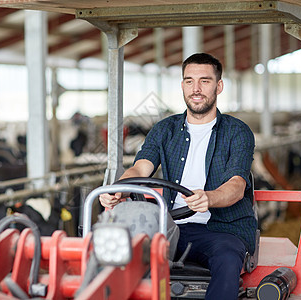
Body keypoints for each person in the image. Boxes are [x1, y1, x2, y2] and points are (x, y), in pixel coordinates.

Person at [99, 53, 257, 300]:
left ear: (219, 85)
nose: (196, 89)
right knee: (122, 254)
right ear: (182, 85)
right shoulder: (165, 129)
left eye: (205, 81)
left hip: (221, 230)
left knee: (227, 257)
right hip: (169, 226)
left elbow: (236, 185)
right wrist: (119, 188)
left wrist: (210, 198)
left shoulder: (237, 132)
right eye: (189, 81)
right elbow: (140, 168)